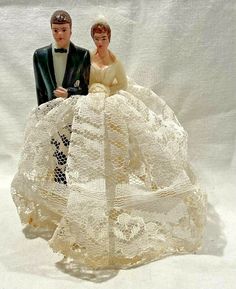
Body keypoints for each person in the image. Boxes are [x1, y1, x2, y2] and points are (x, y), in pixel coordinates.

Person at [11, 20, 206, 270]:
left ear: (109, 38)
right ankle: (77, 196)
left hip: (110, 104)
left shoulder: (115, 61)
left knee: (116, 150)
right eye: (97, 38)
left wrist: (107, 92)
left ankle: (114, 193)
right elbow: (78, 80)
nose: (100, 42)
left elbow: (121, 84)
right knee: (79, 147)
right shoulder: (85, 56)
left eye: (103, 38)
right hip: (87, 103)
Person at [33, 10, 90, 105]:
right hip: (49, 111)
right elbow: (40, 89)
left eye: (64, 30)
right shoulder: (39, 56)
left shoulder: (82, 55)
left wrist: (69, 93)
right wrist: (41, 113)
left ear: (70, 31)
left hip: (72, 110)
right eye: (55, 30)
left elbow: (86, 89)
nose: (60, 34)